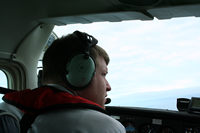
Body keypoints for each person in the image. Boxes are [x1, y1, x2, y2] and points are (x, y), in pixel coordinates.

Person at [2, 31, 126, 133]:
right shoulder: (106, 127)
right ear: (80, 72)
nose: (108, 86)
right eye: (103, 74)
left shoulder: (6, 109)